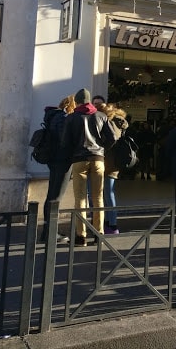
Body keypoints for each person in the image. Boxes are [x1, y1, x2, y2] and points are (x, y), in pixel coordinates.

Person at [62, 88, 117, 246]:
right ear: (89, 101)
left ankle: (81, 236)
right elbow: (112, 137)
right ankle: (99, 234)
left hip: (79, 160)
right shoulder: (101, 116)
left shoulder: (71, 118)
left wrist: (73, 151)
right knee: (98, 197)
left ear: (77, 102)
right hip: (98, 159)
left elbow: (65, 142)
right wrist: (101, 148)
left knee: (80, 198)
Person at [40, 95, 76, 244]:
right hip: (62, 160)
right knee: (56, 197)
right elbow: (64, 139)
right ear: (70, 105)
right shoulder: (63, 117)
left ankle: (47, 232)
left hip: (54, 159)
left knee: (51, 195)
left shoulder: (53, 116)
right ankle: (51, 233)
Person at [100, 102, 129, 235]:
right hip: (114, 163)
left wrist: (102, 149)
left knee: (107, 194)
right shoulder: (120, 122)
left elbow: (110, 139)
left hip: (107, 162)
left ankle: (111, 224)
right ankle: (111, 223)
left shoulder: (112, 122)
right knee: (108, 194)